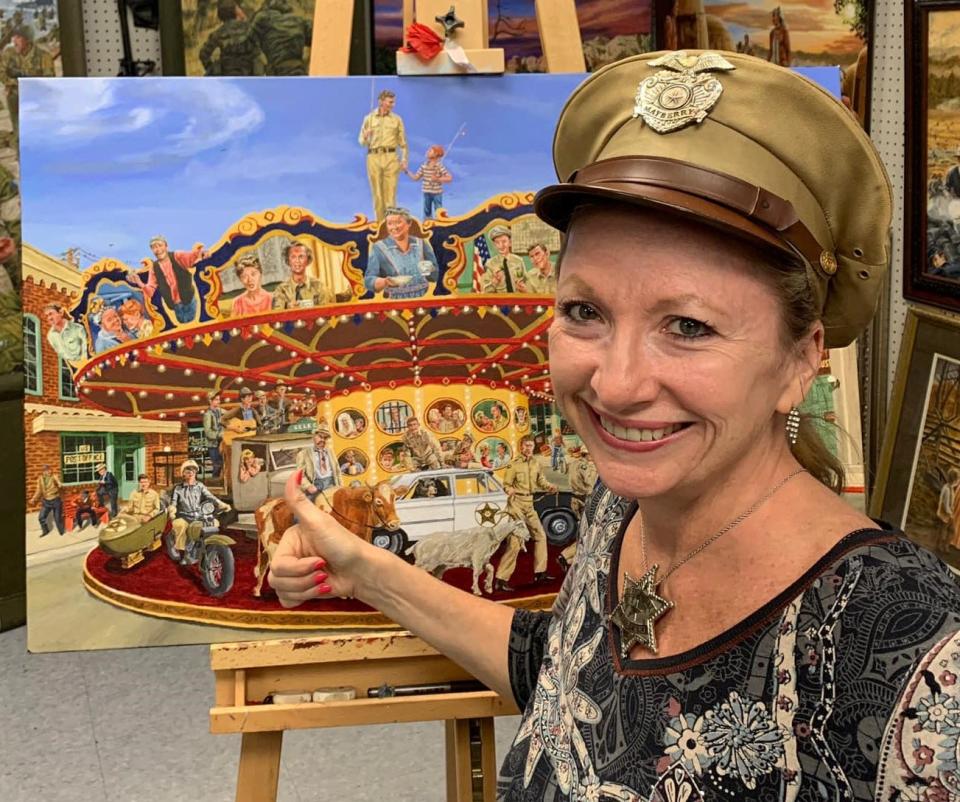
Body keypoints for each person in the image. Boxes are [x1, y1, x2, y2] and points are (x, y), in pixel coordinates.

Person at [265, 54, 955, 802]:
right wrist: (364, 571)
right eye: (585, 312)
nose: (617, 386)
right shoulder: (623, 506)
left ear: (801, 361)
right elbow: (562, 676)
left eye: (688, 326)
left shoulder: (916, 655)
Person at [494, 435, 558, 591]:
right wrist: (509, 489)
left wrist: (550, 486)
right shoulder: (513, 465)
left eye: (530, 445)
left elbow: (540, 481)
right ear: (520, 447)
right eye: (526, 445)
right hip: (516, 505)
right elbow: (506, 484)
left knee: (540, 536)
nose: (528, 448)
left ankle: (540, 573)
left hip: (529, 505)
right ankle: (501, 579)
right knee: (515, 542)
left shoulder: (536, 463)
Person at [364, 208, 439, 300]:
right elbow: (368, 280)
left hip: (424, 298)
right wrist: (384, 281)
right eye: (390, 224)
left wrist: (429, 269)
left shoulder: (421, 244)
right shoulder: (379, 247)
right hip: (394, 302)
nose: (394, 227)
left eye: (398, 222)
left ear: (409, 223)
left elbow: (434, 276)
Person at [128, 236, 205, 324]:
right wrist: (139, 282)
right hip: (175, 307)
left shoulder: (177, 256)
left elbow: (191, 257)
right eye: (154, 247)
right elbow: (150, 290)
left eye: (160, 245)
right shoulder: (154, 268)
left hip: (189, 300)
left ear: (166, 246)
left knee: (194, 325)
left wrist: (201, 253)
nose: (157, 249)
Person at [168, 460, 231, 565]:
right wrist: (172, 510)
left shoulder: (200, 486)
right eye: (187, 470)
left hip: (199, 514)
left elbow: (211, 496)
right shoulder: (178, 488)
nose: (191, 472)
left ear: (196, 472)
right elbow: (173, 502)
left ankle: (209, 545)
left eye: (193, 470)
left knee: (213, 522)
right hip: (184, 515)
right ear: (183, 473)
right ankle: (187, 554)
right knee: (186, 528)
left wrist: (221, 504)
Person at [359, 89, 408, 221]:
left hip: (391, 157)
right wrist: (365, 135)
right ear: (381, 101)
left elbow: (403, 143)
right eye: (390, 102)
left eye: (393, 102)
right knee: (378, 194)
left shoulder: (397, 119)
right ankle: (381, 225)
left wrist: (404, 159)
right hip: (373, 157)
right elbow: (361, 142)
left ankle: (391, 225)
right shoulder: (368, 118)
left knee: (390, 194)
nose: (392, 104)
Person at [1, 26, 53, 137]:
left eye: (18, 37)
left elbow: (49, 80)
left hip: (36, 96)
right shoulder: (9, 53)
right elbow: (1, 73)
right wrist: (16, 83)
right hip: (15, 94)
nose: (14, 41)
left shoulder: (44, 56)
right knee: (18, 126)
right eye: (13, 37)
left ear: (28, 40)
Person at [558, 448, 598, 570]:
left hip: (575, 499)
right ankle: (565, 556)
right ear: (588, 454)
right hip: (585, 500)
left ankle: (570, 560)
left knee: (587, 532)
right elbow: (591, 483)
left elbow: (563, 470)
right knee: (591, 533)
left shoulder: (574, 463)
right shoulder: (587, 466)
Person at [199, 0, 259, 76]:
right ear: (236, 12)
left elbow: (203, 54)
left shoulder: (218, 33)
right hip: (248, 75)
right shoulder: (251, 29)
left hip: (227, 75)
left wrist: (213, 69)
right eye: (238, 8)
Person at [251, 0, 311, 75]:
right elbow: (315, 37)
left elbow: (248, 41)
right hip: (297, 70)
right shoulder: (298, 20)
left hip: (276, 72)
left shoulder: (262, 19)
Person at [271, 240, 334, 309]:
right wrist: (288, 308)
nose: (297, 261)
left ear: (308, 260)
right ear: (288, 261)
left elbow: (329, 312)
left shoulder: (320, 287)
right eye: (293, 257)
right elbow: (277, 314)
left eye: (301, 256)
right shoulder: (281, 290)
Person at [406, 144, 453, 220]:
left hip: (437, 193)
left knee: (439, 210)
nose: (427, 151)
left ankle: (441, 223)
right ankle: (428, 223)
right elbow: (415, 178)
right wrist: (406, 171)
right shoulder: (424, 166)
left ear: (436, 154)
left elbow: (449, 178)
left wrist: (438, 179)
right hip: (427, 192)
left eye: (430, 150)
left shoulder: (439, 166)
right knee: (427, 212)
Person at [296, 425, 340, 503]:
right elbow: (299, 475)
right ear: (314, 436)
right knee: (303, 507)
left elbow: (337, 471)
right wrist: (308, 486)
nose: (322, 440)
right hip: (315, 485)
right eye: (320, 436)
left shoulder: (331, 452)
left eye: (325, 438)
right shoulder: (303, 454)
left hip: (331, 484)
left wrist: (340, 486)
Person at [481, 225, 528, 293]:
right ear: (494, 245)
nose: (501, 246)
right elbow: (485, 292)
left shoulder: (518, 260)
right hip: (500, 301)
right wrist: (495, 282)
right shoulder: (490, 264)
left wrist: (523, 288)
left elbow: (527, 283)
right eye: (497, 242)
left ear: (510, 242)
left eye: (504, 241)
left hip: (518, 299)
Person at [31, 464, 63, 536]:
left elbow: (59, 483)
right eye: (46, 470)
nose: (49, 471)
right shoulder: (40, 479)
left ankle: (61, 532)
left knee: (57, 518)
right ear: (43, 472)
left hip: (55, 500)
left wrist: (59, 483)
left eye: (49, 470)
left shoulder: (54, 476)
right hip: (46, 501)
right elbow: (38, 490)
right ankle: (45, 531)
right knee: (41, 517)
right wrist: (33, 498)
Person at [202, 390, 224, 480]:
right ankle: (215, 483)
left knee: (222, 464)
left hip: (221, 443)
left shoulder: (219, 411)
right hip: (213, 445)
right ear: (210, 401)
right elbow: (208, 432)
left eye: (219, 400)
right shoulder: (208, 415)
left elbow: (229, 414)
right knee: (217, 465)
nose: (218, 401)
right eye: (216, 400)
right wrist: (219, 434)